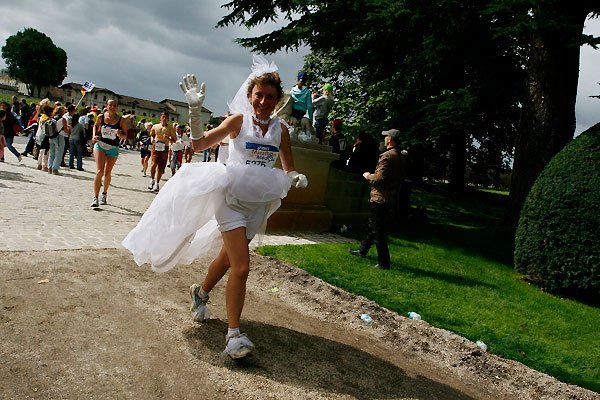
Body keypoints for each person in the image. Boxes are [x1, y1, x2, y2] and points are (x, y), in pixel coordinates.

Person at [122, 55, 308, 359]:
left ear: (278, 101)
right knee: (242, 267)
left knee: (226, 259)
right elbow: (198, 145)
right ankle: (234, 336)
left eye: (269, 97)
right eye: (258, 95)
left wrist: (295, 176)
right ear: (249, 96)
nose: (263, 101)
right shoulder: (238, 121)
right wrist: (195, 112)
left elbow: (287, 165)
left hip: (258, 203)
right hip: (230, 198)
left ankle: (201, 293)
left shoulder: (281, 130)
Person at [349, 129, 407, 269]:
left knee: (377, 230)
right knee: (373, 227)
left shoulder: (387, 156)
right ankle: (362, 251)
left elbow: (380, 178)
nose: (384, 138)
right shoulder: (401, 156)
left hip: (380, 198)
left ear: (390, 140)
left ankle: (384, 262)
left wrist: (368, 175)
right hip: (390, 197)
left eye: (386, 136)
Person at [90, 98, 128, 208]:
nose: (112, 107)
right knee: (99, 171)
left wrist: (120, 134)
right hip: (100, 144)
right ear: (106, 106)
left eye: (114, 105)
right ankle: (95, 198)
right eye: (110, 105)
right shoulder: (101, 117)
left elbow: (125, 135)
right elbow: (95, 126)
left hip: (113, 147)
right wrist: (93, 136)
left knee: (107, 173)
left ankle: (104, 194)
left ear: (117, 107)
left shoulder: (121, 120)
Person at [147, 111, 177, 192]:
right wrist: (152, 139)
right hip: (155, 147)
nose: (164, 119)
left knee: (161, 167)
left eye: (166, 117)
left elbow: (174, 140)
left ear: (168, 119)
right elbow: (152, 135)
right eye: (163, 117)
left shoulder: (170, 128)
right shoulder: (155, 126)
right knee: (153, 164)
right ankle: (152, 180)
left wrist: (168, 139)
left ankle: (157, 183)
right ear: (160, 117)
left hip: (164, 148)